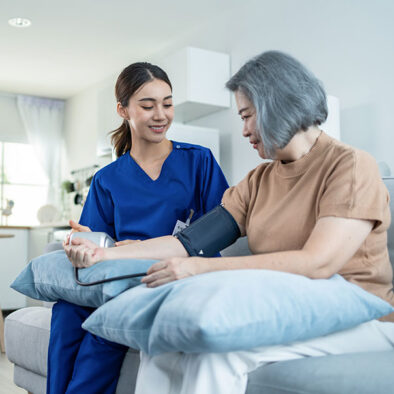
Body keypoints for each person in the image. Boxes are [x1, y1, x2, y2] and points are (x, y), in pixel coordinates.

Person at [65, 51, 394, 394]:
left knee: (216, 355)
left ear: (277, 106)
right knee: (163, 346)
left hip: (362, 314)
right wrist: (104, 256)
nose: (244, 130)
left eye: (248, 116)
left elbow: (318, 263)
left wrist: (196, 270)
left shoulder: (350, 165)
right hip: (288, 303)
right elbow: (190, 242)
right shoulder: (259, 180)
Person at [47, 62, 228, 394]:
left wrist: (153, 246)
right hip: (119, 273)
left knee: (106, 328)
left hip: (174, 273)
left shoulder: (198, 161)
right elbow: (98, 240)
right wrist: (82, 245)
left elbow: (224, 227)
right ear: (123, 110)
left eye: (167, 103)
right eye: (148, 105)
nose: (160, 114)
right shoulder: (107, 179)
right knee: (66, 312)